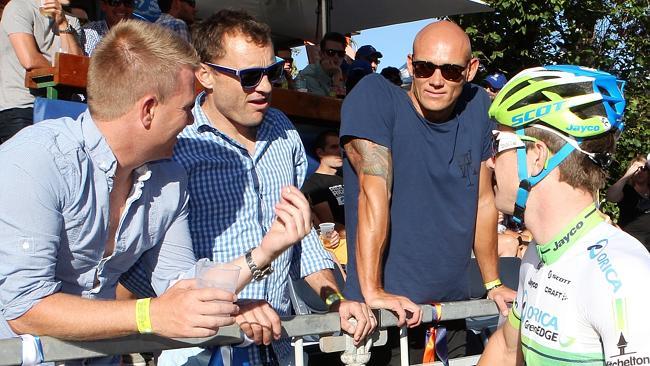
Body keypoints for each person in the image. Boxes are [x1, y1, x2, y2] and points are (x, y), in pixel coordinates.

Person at [0, 20, 315, 365]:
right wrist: (149, 315)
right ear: (148, 110)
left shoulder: (167, 178)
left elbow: (179, 283)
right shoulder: (34, 160)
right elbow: (25, 309)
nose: (192, 121)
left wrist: (262, 255)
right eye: (184, 108)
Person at [120, 10, 375, 366]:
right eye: (250, 76)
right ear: (205, 74)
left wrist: (335, 299)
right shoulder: (177, 142)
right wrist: (222, 308)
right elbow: (144, 265)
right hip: (202, 348)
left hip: (278, 344)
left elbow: (300, 238)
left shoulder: (283, 132)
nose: (266, 87)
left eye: (272, 73)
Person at [340, 20, 515, 364]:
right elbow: (373, 190)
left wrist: (492, 282)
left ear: (471, 69)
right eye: (424, 68)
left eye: (450, 71)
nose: (436, 80)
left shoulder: (478, 105)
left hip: (450, 311)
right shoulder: (375, 96)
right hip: (385, 317)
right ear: (410, 64)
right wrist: (374, 291)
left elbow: (483, 200)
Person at [478, 65, 650, 365]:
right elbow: (506, 350)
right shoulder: (538, 253)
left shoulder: (624, 275)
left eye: (498, 145)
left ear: (536, 157)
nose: (491, 163)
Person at [0, 0, 82, 143]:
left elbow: (77, 70)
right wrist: (64, 72)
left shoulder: (71, 21)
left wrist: (62, 24)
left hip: (60, 110)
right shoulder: (19, 7)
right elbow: (30, 60)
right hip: (22, 107)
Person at [302, 130, 347, 266]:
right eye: (333, 147)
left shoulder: (346, 177)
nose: (339, 151)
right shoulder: (314, 184)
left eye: (340, 147)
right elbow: (330, 224)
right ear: (321, 152)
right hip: (343, 246)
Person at [606, 155, 650, 248]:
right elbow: (611, 197)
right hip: (632, 245)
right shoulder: (626, 191)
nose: (639, 172)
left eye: (643, 168)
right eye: (636, 169)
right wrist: (627, 175)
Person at [297, 31, 347, 97]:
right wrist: (337, 77)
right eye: (331, 52)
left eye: (340, 53)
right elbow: (329, 104)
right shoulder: (308, 75)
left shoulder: (341, 72)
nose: (336, 56)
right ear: (321, 54)